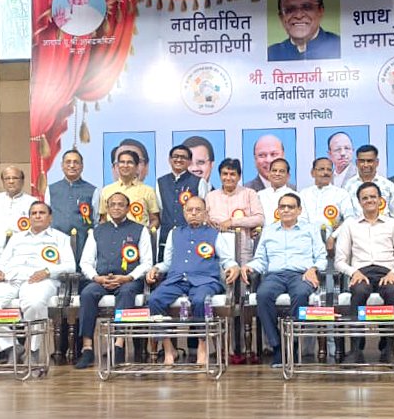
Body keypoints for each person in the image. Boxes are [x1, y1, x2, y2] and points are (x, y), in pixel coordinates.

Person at [0, 201, 75, 362]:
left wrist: (47, 271)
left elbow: (70, 266)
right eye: (33, 213)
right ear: (29, 217)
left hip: (39, 279)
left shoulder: (60, 238)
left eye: (42, 213)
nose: (37, 216)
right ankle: (11, 346)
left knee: (34, 303)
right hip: (11, 278)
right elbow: (2, 261)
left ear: (50, 217)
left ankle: (33, 350)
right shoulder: (16, 237)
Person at [146, 196, 240, 365]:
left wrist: (234, 267)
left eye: (198, 210)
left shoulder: (214, 234)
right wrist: (156, 268)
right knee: (154, 299)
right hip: (177, 280)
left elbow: (227, 260)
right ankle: (168, 348)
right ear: (184, 213)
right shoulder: (174, 233)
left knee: (200, 300)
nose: (194, 213)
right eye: (190, 210)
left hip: (205, 280)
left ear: (205, 213)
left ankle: (202, 347)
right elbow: (167, 262)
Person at [238, 193, 326, 368]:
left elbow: (321, 257)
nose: (286, 210)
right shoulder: (269, 231)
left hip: (301, 274)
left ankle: (292, 343)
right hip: (275, 276)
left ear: (299, 210)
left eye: (290, 207)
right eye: (282, 207)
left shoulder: (311, 229)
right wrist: (249, 266)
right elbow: (261, 259)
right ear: (278, 210)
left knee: (300, 294)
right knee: (263, 295)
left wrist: (313, 269)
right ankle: (277, 345)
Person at [334, 182, 394, 364]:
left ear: (380, 200)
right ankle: (355, 348)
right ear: (359, 202)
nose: (369, 200)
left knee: (393, 291)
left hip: (386, 272)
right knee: (359, 291)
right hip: (361, 272)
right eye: (365, 198)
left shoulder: (393, 224)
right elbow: (339, 261)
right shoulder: (350, 225)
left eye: (373, 197)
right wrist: (353, 272)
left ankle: (389, 347)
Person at [73, 192, 152, 369]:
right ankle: (87, 348)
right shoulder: (97, 231)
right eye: (112, 204)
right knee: (87, 293)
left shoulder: (140, 230)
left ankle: (118, 345)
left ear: (128, 208)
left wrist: (128, 277)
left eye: (120, 204)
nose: (116, 208)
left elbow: (147, 262)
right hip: (101, 279)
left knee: (126, 292)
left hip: (128, 280)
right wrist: (96, 278)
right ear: (107, 208)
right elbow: (85, 262)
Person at [45, 149, 100, 273]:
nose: (72, 165)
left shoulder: (92, 190)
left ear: (82, 166)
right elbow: (46, 218)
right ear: (62, 165)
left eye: (76, 162)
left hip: (83, 241)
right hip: (57, 242)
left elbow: (96, 220)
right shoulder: (51, 189)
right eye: (68, 162)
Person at [206, 158, 265, 264]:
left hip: (242, 249)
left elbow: (260, 219)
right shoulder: (211, 196)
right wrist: (208, 221)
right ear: (220, 176)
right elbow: (205, 218)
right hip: (216, 249)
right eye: (225, 174)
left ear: (239, 176)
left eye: (232, 174)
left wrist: (232, 222)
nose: (228, 178)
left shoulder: (249, 194)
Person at [156, 145, 210, 254]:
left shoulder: (199, 182)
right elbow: (160, 209)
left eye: (183, 157)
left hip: (192, 238)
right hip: (166, 238)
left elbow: (204, 211)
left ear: (189, 161)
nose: (179, 159)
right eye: (175, 156)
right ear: (169, 159)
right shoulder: (161, 182)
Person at [267, 0, 341, 61]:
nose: (298, 15)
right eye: (289, 9)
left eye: (307, 7)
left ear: (320, 11)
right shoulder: (271, 54)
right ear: (281, 17)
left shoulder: (341, 46)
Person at [0, 166, 38, 268]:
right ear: (3, 182)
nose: (11, 181)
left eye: (15, 178)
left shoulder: (33, 202)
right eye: (7, 178)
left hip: (24, 259)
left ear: (22, 181)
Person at [299, 157, 354, 248]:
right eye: (321, 169)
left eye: (329, 170)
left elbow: (350, 218)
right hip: (307, 243)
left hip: (334, 243)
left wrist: (333, 236)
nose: (326, 172)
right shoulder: (304, 194)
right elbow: (301, 220)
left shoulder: (341, 194)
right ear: (312, 173)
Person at [343, 145, 394, 220]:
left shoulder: (388, 186)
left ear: (377, 162)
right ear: (357, 163)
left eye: (369, 161)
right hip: (356, 227)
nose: (366, 165)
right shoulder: (348, 186)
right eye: (362, 161)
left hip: (384, 227)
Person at [101, 150, 160, 229]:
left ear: (137, 166)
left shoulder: (148, 190)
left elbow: (155, 219)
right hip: (112, 234)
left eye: (130, 162)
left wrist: (146, 233)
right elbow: (103, 218)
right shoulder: (107, 190)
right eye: (122, 162)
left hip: (137, 235)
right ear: (117, 166)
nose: (125, 165)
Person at [257, 158, 297, 225]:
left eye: (281, 171)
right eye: (274, 170)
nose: (277, 174)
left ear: (288, 176)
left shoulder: (295, 196)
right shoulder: (259, 195)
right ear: (269, 174)